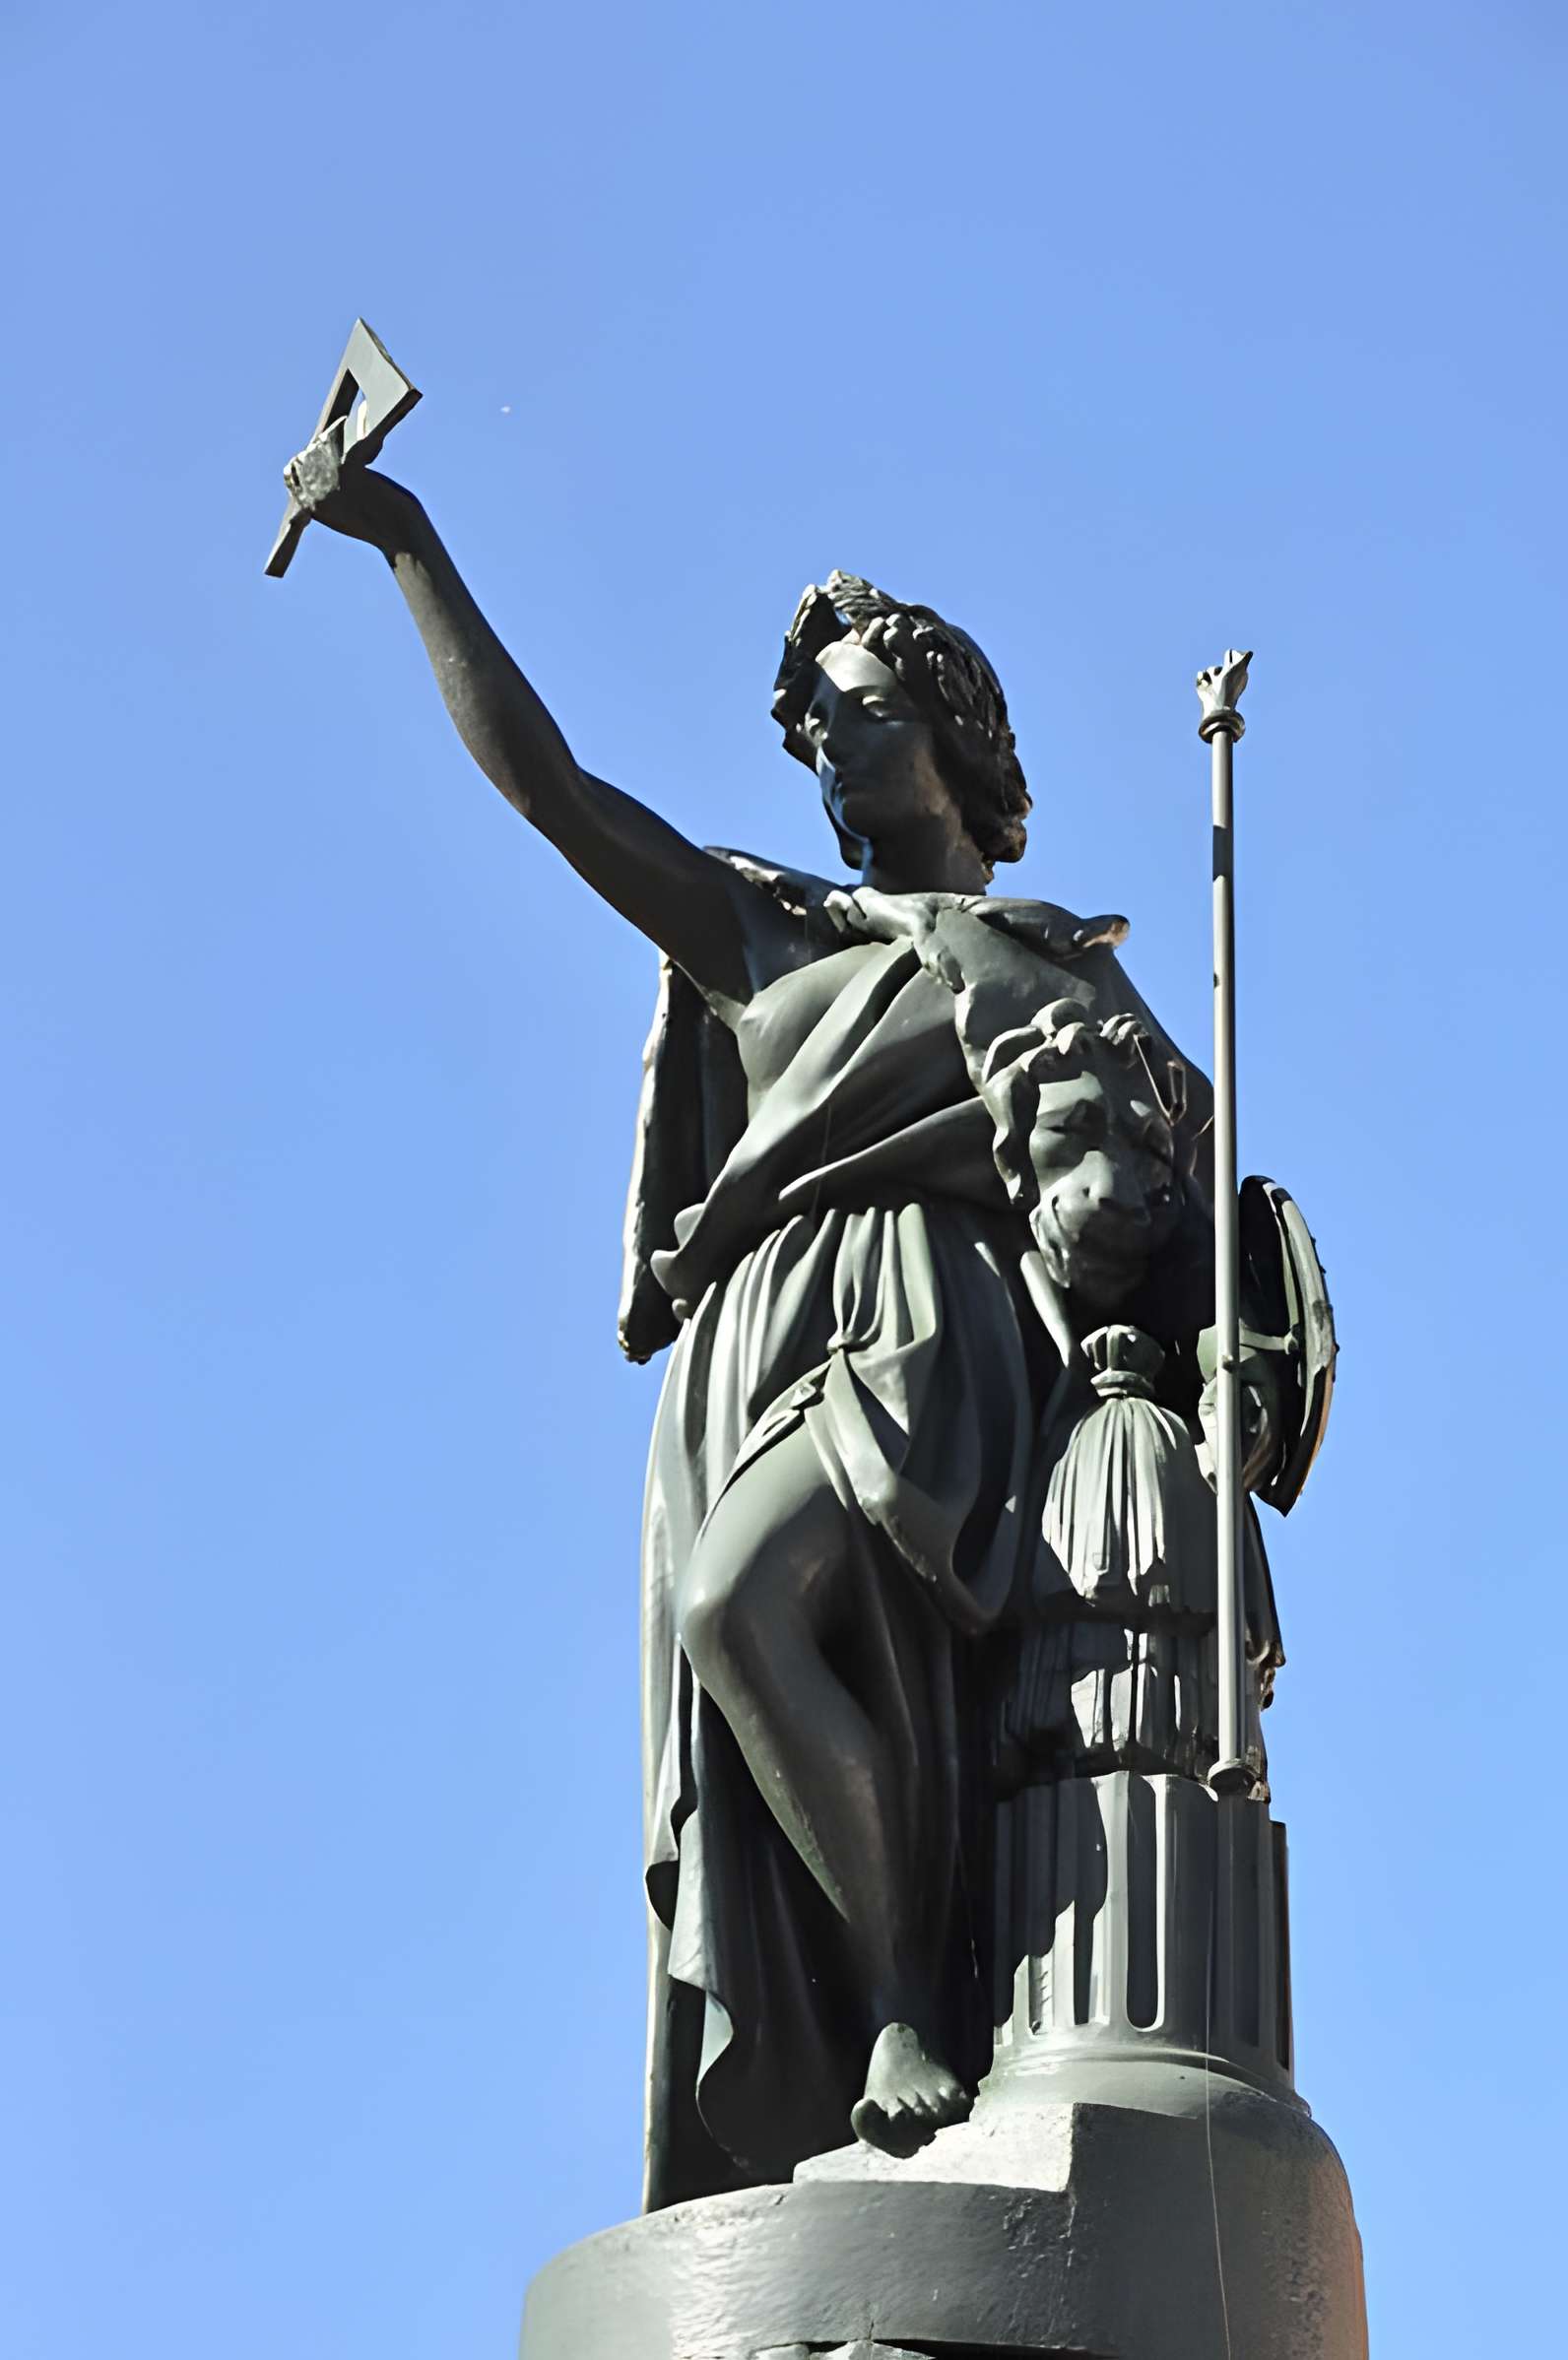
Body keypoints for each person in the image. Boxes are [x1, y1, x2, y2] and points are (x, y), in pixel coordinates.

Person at [283, 433, 1298, 2209]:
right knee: (743, 1626)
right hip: (752, 1348)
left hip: (941, 1333)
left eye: (856, 707)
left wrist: (1230, 1323)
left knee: (744, 1600)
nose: (826, 740)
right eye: (812, 723)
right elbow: (555, 790)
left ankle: (921, 2005)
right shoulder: (764, 933)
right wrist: (409, 546)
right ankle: (884, 2010)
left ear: (956, 736)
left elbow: (1181, 1192)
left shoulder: (1064, 965)